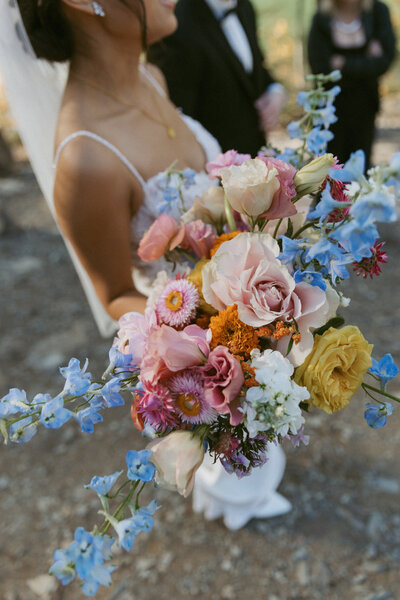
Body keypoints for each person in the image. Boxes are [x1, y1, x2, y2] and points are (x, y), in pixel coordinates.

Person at [0, 0, 290, 530]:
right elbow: (113, 293)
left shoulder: (151, 75)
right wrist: (214, 330)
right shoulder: (86, 159)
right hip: (209, 338)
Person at [148, 0, 286, 156]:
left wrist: (275, 91)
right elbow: (179, 121)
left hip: (255, 159)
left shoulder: (244, 6)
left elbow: (254, 70)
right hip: (215, 169)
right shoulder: (176, 25)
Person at [308, 0, 396, 169]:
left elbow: (385, 61)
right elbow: (319, 67)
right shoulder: (321, 18)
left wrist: (342, 63)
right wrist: (366, 61)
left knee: (358, 171)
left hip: (365, 108)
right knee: (327, 173)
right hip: (328, 112)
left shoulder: (377, 12)